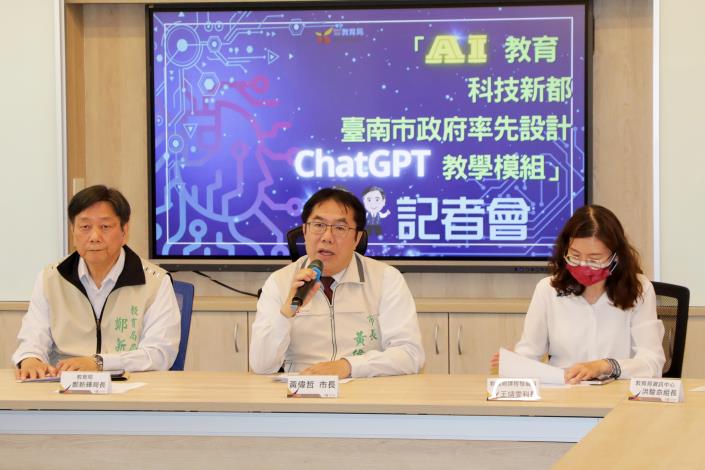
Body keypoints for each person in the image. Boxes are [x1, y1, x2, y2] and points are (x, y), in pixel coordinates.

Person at [250, 187, 424, 378]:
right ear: (305, 231)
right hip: (302, 389)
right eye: (318, 225)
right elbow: (262, 366)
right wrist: (288, 311)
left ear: (357, 238)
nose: (327, 237)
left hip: (366, 387)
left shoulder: (386, 279)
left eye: (340, 228)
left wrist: (348, 366)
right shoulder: (279, 282)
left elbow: (410, 354)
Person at [13, 185, 181, 379]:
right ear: (73, 231)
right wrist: (31, 359)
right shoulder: (50, 279)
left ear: (124, 231)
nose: (94, 237)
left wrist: (100, 363)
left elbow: (160, 353)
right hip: (64, 387)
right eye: (85, 227)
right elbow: (33, 337)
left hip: (130, 385)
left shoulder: (156, 282)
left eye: (105, 227)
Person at [492, 204, 665, 384]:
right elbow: (530, 352)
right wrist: (517, 362)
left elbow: (652, 363)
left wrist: (605, 366)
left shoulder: (639, 289)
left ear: (616, 257)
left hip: (617, 392)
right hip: (564, 391)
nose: (583, 265)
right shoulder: (547, 290)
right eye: (575, 256)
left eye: (594, 259)